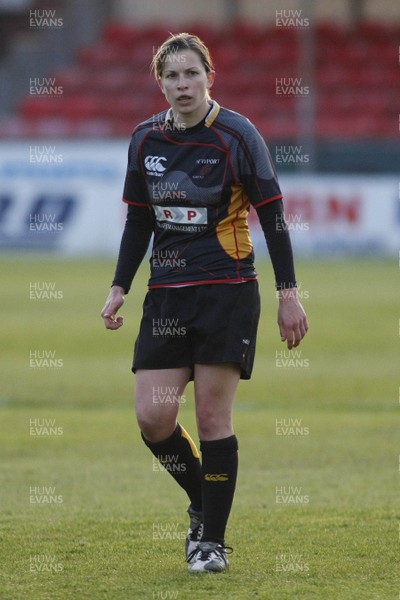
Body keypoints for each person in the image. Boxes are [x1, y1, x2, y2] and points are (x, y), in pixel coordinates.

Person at [101, 32, 308, 574]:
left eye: (191, 73)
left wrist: (290, 296)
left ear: (209, 77)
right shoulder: (145, 139)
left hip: (227, 293)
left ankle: (210, 543)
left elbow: (274, 218)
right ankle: (203, 503)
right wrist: (120, 284)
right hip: (166, 299)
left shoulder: (239, 136)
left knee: (213, 418)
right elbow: (140, 219)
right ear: (160, 82)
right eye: (171, 76)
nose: (182, 84)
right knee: (153, 417)